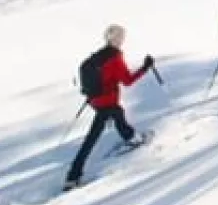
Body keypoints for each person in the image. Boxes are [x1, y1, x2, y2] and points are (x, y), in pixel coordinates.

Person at [65, 24, 154, 190]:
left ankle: (131, 137)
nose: (123, 40)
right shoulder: (114, 58)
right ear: (116, 38)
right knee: (92, 138)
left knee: (118, 114)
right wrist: (145, 67)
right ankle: (72, 177)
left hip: (96, 101)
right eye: (121, 37)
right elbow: (127, 80)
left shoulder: (99, 56)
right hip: (106, 102)